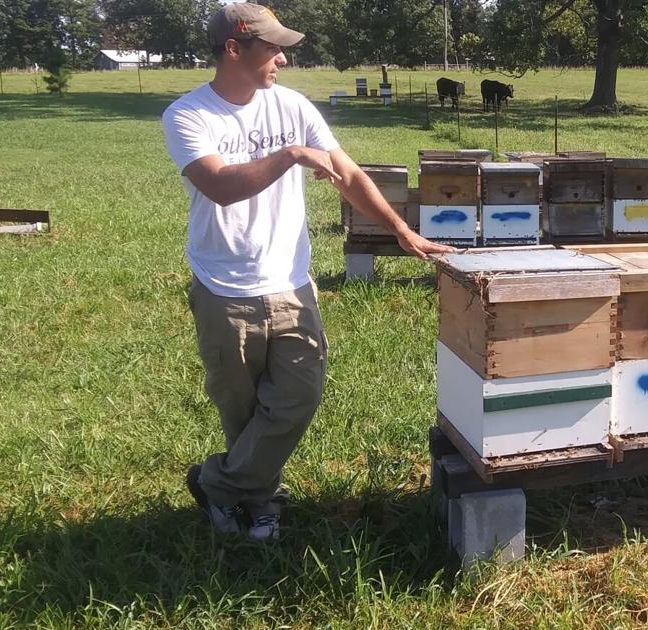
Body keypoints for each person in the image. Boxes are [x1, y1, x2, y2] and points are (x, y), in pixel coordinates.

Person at [161, 2, 453, 541]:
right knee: (244, 411)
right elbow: (221, 187)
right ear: (234, 48)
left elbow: (346, 173)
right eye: (272, 47)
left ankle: (216, 484)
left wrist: (398, 229)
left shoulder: (293, 105)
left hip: (291, 283)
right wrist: (290, 155)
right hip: (223, 287)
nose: (282, 59)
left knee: (297, 398)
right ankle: (262, 503)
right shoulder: (187, 115)